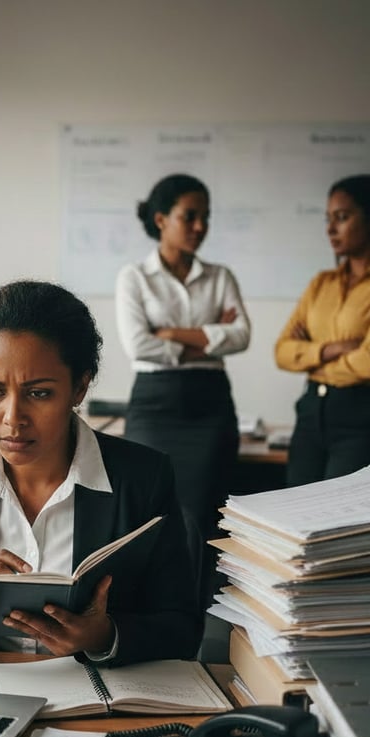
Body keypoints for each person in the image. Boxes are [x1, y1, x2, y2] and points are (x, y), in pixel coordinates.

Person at [0, 279, 202, 666]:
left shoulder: (143, 478)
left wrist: (104, 635)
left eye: (39, 393)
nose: (12, 418)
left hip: (92, 701)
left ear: (79, 388)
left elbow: (183, 629)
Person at [115, 173, 251, 542]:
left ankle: (199, 600)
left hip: (210, 405)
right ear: (161, 219)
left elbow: (241, 336)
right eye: (189, 216)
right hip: (153, 405)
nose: (200, 226)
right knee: (146, 512)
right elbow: (138, 345)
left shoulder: (220, 276)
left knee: (205, 515)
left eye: (205, 217)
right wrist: (209, 337)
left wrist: (171, 334)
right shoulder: (135, 277)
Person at [275, 174, 370, 486]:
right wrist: (331, 349)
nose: (330, 229)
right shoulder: (321, 283)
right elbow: (282, 352)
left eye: (342, 217)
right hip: (311, 414)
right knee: (296, 516)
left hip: (366, 417)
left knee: (343, 525)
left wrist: (312, 358)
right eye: (328, 219)